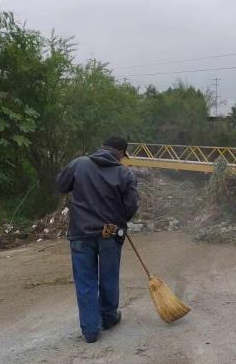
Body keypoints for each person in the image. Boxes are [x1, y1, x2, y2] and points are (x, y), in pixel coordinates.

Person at [56, 137, 139, 343]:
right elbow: (131, 207)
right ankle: (109, 318)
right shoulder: (124, 174)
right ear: (120, 153)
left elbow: (61, 185)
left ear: (102, 148)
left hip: (81, 234)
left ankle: (91, 331)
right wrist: (118, 220)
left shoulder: (79, 164)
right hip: (110, 235)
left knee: (85, 281)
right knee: (109, 276)